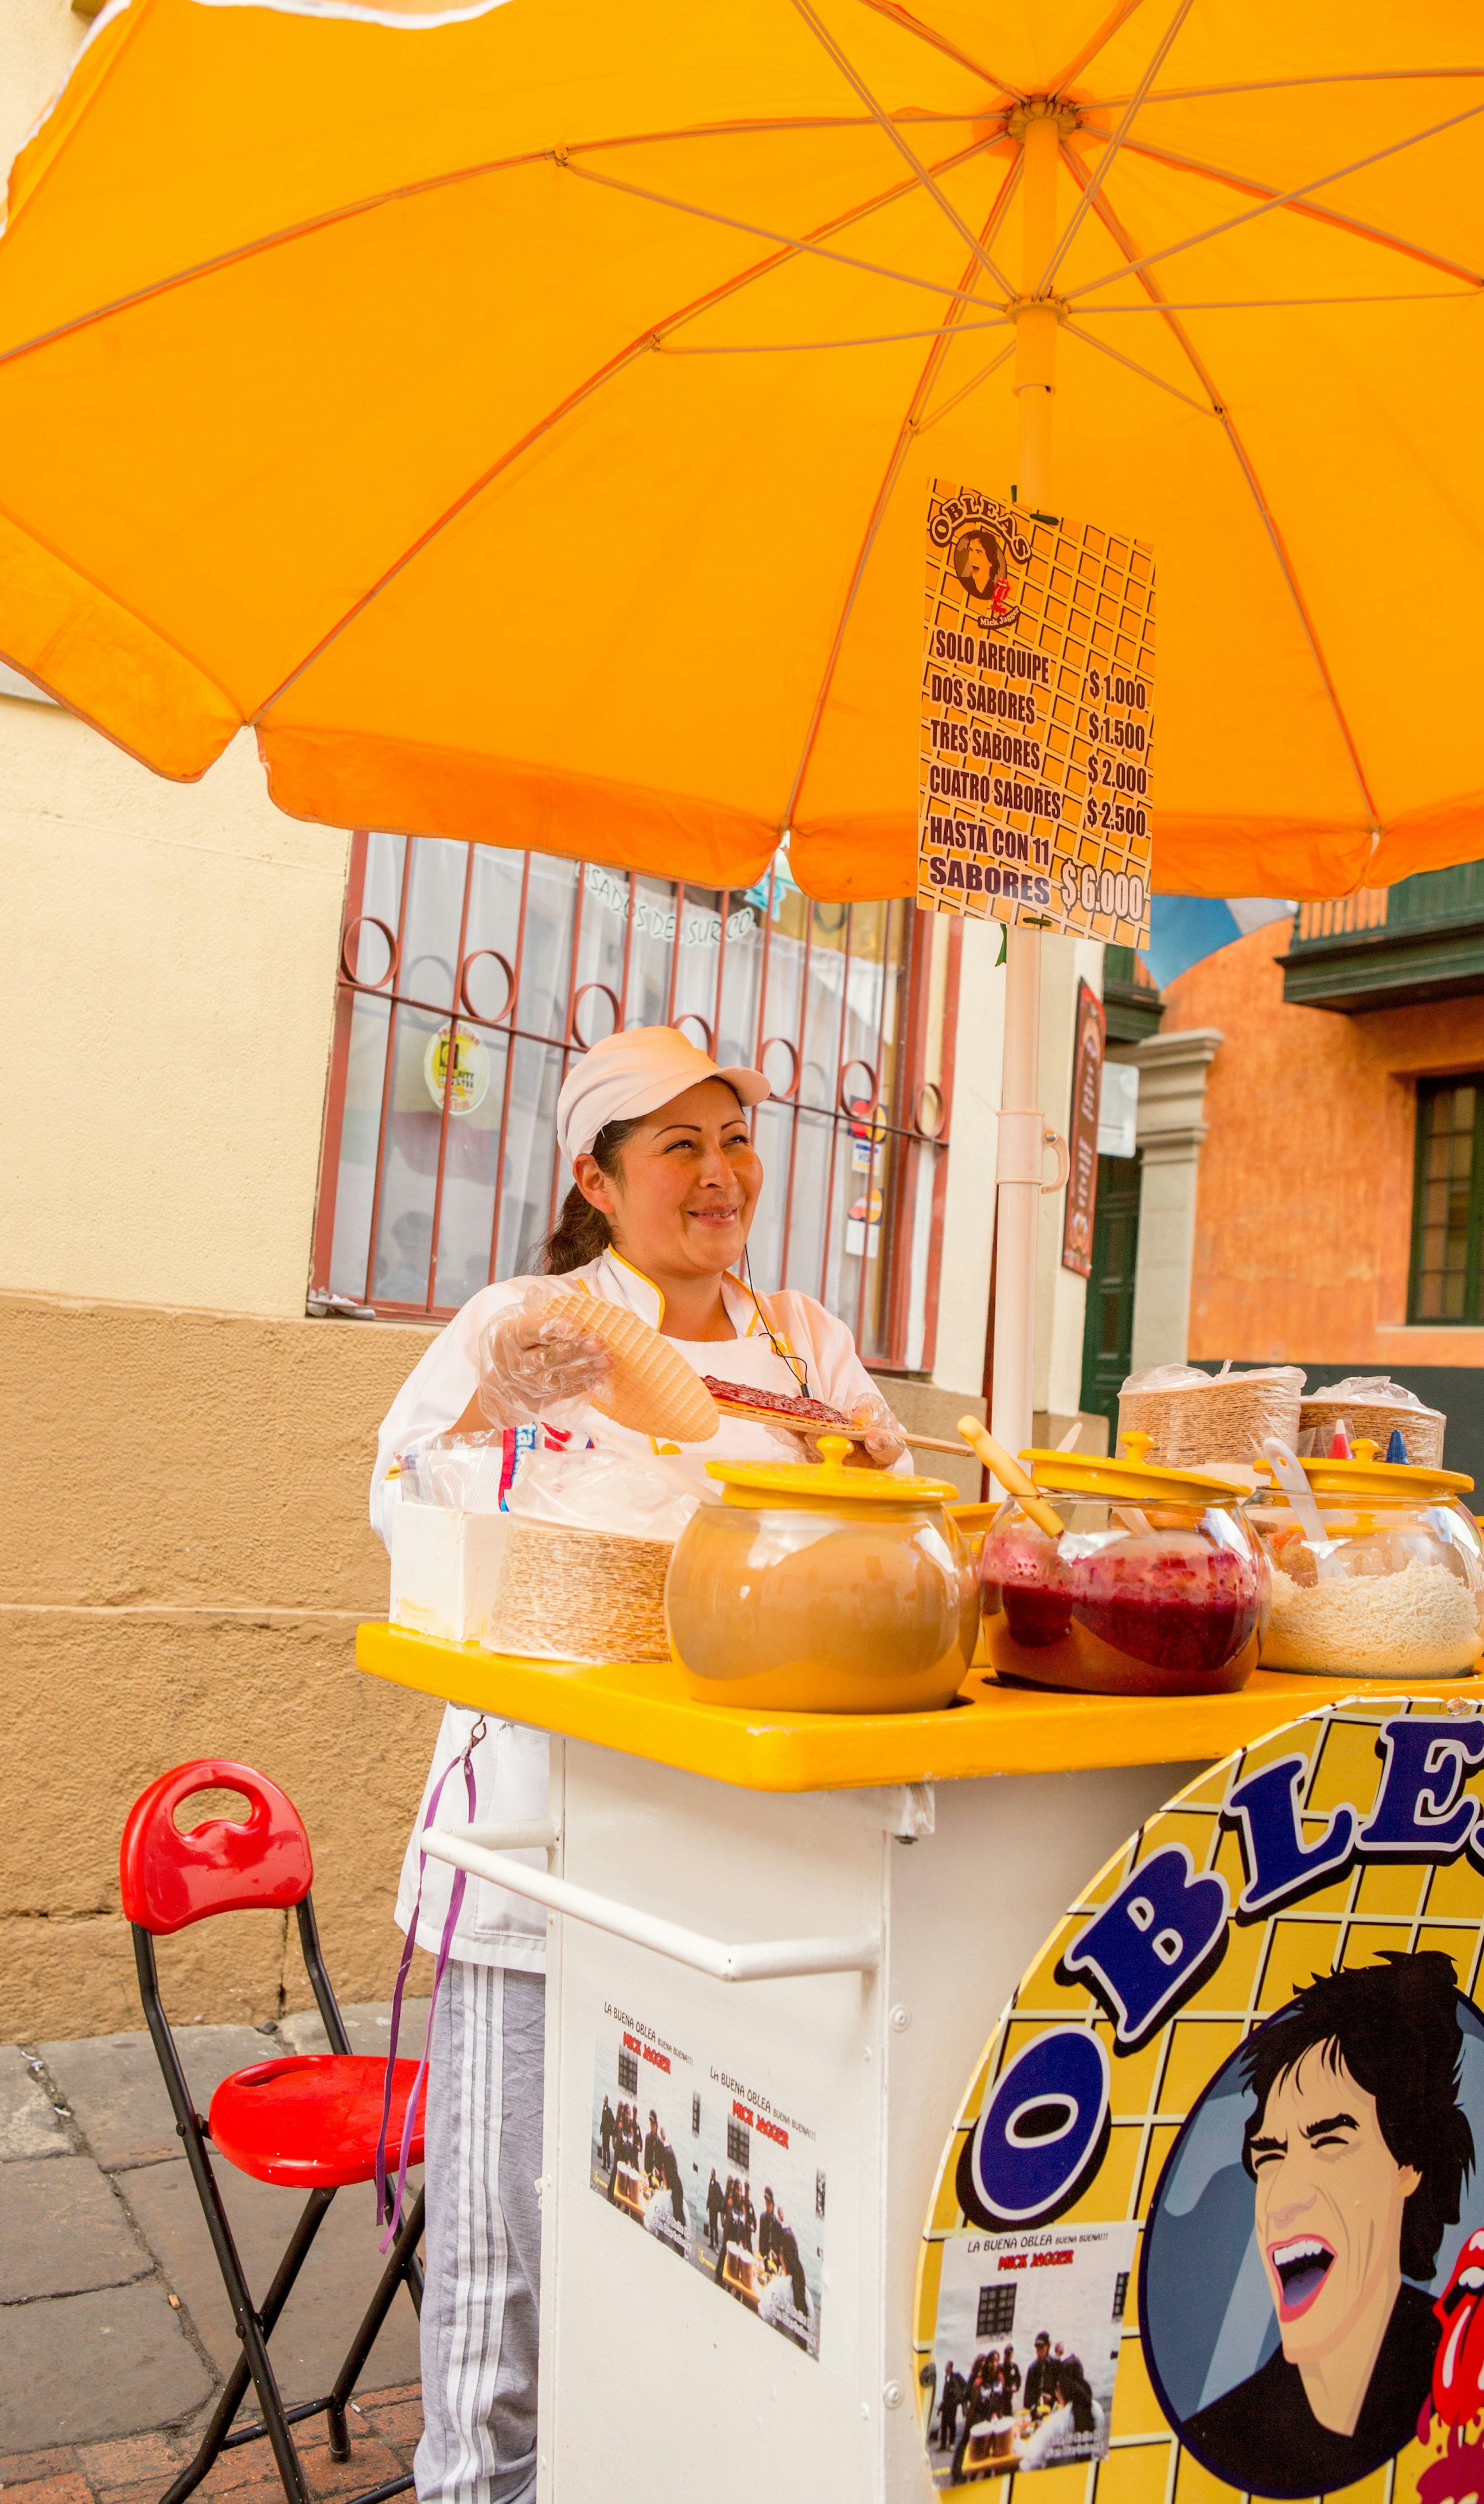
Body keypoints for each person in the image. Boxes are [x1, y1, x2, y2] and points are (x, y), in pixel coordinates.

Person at [375, 1026, 910, 2504]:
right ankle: (476, 2485)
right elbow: (401, 1501)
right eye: (677, 1146)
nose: (722, 1172)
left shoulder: (804, 1334)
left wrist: (880, 1477)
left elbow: (885, 1513)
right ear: (598, 1184)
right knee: (503, 2240)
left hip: (742, 1855)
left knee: (701, 2226)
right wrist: (498, 1406)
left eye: (735, 1139)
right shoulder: (529, 1316)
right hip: (541, 1836)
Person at [1180, 1952, 1473, 2497]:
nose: (1284, 2199)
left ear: (1408, 2163)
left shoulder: (1473, 2374)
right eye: (1270, 2156)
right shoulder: (1224, 2444)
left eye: (1329, 2142)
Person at [1024, 2332, 1062, 2417]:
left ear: (1048, 2347)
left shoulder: (1056, 2364)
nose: (1039, 2352)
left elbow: (1063, 2389)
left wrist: (1052, 2398)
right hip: (1037, 2412)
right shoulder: (1033, 2368)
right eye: (1037, 2349)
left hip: (1054, 2410)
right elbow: (1028, 2397)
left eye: (1042, 2348)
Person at [706, 2168, 724, 2251]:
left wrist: (718, 2207)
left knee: (715, 2227)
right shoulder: (711, 2184)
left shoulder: (717, 2185)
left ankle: (716, 2243)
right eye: (711, 2174)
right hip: (711, 2208)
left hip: (715, 2210)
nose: (711, 2175)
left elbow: (721, 2197)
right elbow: (709, 2195)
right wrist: (707, 2205)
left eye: (712, 2174)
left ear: (715, 2175)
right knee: (711, 2225)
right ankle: (711, 2242)